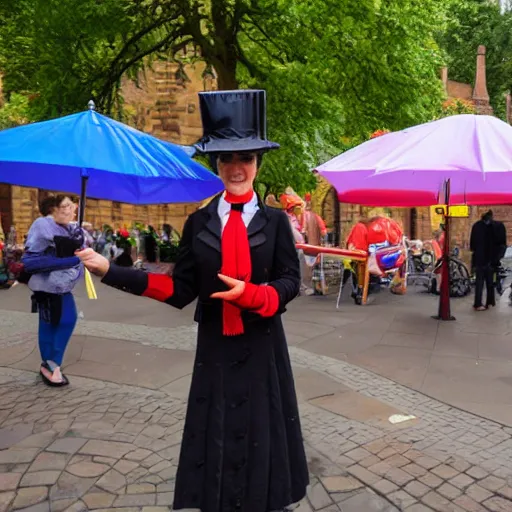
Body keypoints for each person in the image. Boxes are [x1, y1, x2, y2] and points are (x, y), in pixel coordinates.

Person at [77, 90, 309, 512]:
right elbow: (179, 289)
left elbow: (291, 280)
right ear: (216, 165)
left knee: (261, 425)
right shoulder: (198, 221)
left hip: (262, 344)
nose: (237, 168)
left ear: (258, 163)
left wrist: (256, 295)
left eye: (246, 159)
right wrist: (110, 271)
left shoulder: (275, 222)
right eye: (226, 160)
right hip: (216, 345)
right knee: (218, 426)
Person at [21, 195, 84, 386]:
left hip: (61, 286)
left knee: (51, 321)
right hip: (47, 287)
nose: (71, 209)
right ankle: (52, 363)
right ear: (53, 208)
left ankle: (49, 364)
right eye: (65, 206)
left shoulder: (68, 228)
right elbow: (30, 261)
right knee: (65, 319)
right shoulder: (43, 225)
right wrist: (72, 260)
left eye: (72, 206)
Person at [470, 210, 495, 310]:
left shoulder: (476, 225)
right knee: (490, 282)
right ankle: (489, 302)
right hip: (488, 259)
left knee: (479, 283)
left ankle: (478, 303)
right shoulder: (491, 227)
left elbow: (472, 244)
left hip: (479, 259)